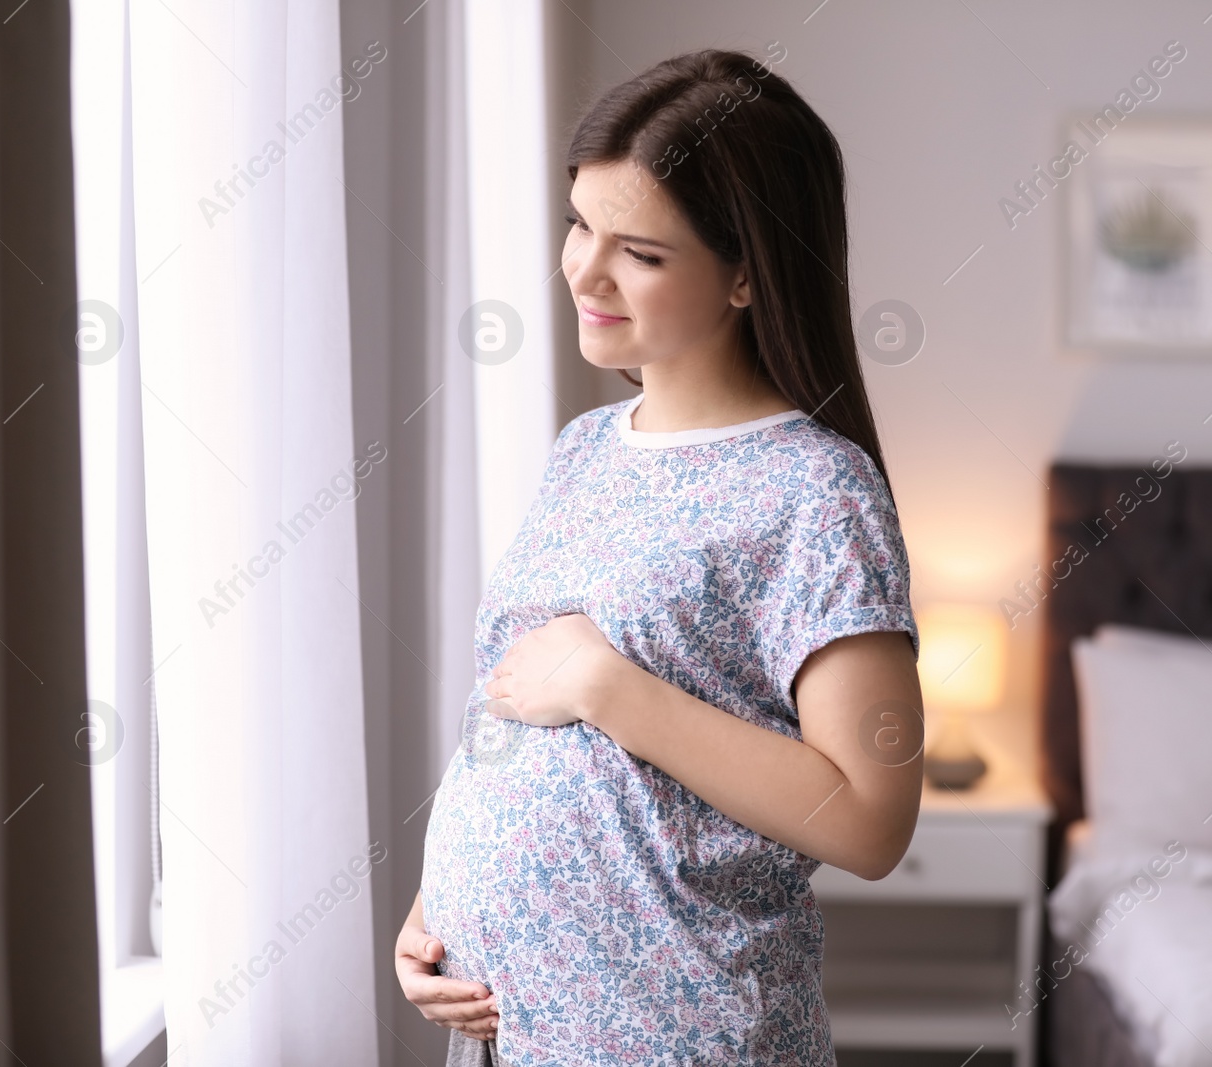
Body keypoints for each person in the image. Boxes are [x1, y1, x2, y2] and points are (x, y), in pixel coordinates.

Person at [394, 47, 925, 1066]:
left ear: (743, 273)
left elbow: (870, 817)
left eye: (638, 250)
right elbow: (509, 701)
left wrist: (606, 685)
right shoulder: (585, 449)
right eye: (578, 224)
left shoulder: (815, 491)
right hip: (518, 1030)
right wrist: (435, 913)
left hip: (679, 1035)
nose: (584, 270)